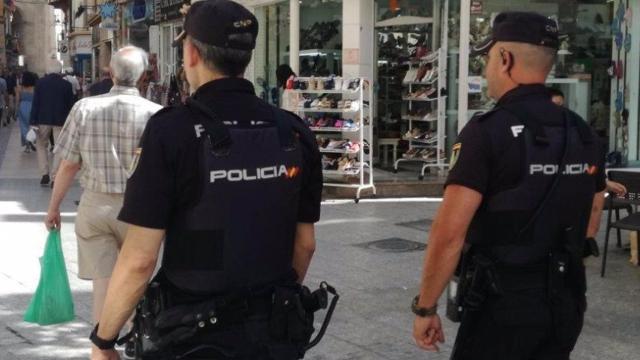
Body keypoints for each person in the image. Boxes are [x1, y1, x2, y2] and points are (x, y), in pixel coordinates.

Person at [90, 1, 322, 360]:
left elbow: (139, 258)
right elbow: (304, 244)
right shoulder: (292, 131)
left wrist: (104, 340)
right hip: (273, 334)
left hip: (190, 336)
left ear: (192, 53)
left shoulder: (171, 131)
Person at [412, 12, 607, 360]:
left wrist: (426, 308)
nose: (486, 69)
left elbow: (449, 234)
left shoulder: (488, 132)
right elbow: (591, 222)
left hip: (501, 306)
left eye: (488, 58)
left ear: (504, 59)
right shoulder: (583, 132)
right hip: (566, 302)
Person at [43, 46, 162, 358]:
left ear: (109, 72)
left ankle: (101, 350)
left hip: (95, 206)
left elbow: (68, 164)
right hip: (141, 211)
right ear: (144, 75)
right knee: (136, 280)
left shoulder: (84, 109)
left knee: (104, 284)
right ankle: (138, 344)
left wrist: (54, 206)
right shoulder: (156, 114)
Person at [30, 65, 74, 187]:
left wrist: (32, 120)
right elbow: (71, 105)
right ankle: (55, 177)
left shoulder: (40, 83)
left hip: (42, 119)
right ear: (60, 71)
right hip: (61, 121)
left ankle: (44, 174)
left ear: (47, 71)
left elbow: (36, 103)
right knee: (59, 148)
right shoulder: (66, 85)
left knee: (41, 145)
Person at [17, 71, 38, 153]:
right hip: (33, 107)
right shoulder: (35, 88)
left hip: (23, 107)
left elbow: (17, 100)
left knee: (23, 127)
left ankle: (27, 146)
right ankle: (32, 140)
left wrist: (16, 109)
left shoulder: (20, 88)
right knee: (32, 126)